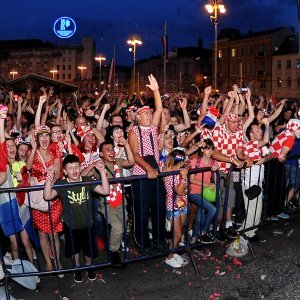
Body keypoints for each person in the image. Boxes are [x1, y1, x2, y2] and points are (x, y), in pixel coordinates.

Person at [43, 154, 109, 282]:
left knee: (89, 249)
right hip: (71, 225)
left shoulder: (86, 181)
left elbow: (105, 191)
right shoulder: (62, 184)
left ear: (80, 168)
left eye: (77, 167)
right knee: (74, 250)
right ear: (65, 171)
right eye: (70, 168)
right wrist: (49, 177)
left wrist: (102, 172)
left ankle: (89, 267)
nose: (74, 170)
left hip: (88, 223)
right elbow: (47, 196)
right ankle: (77, 268)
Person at [128, 74, 166, 253]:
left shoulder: (152, 128)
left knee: (159, 208)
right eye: (145, 114)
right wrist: (148, 168)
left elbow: (159, 109)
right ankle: (142, 243)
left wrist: (156, 91)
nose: (150, 116)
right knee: (142, 212)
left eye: (149, 114)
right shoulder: (133, 131)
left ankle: (159, 240)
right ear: (138, 117)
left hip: (155, 171)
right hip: (141, 174)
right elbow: (135, 154)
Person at [26, 125, 62, 272]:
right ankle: (48, 262)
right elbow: (28, 167)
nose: (45, 139)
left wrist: (50, 181)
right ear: (37, 138)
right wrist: (33, 149)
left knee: (54, 234)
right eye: (41, 136)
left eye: (47, 135)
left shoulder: (55, 151)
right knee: (42, 234)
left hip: (52, 199)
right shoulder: (32, 153)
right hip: (37, 200)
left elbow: (59, 174)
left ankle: (58, 262)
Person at [98, 140, 134, 266]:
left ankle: (113, 247)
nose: (111, 151)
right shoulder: (99, 166)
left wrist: (126, 145)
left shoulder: (118, 162)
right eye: (107, 149)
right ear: (101, 154)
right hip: (107, 204)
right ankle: (113, 252)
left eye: (112, 149)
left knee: (123, 227)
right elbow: (83, 175)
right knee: (118, 229)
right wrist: (93, 166)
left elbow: (131, 162)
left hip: (121, 202)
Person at [240, 118, 269, 241]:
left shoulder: (260, 147)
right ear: (251, 134)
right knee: (252, 211)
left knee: (257, 210)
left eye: (260, 130)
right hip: (249, 183)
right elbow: (266, 140)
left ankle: (251, 232)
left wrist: (263, 160)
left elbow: (271, 154)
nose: (260, 132)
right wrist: (267, 126)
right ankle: (245, 233)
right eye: (257, 130)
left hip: (257, 182)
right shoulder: (251, 144)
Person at [163, 149, 188, 268]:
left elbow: (186, 190)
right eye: (183, 160)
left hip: (183, 204)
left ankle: (173, 253)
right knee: (177, 234)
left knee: (179, 232)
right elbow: (179, 190)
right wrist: (184, 177)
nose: (185, 162)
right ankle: (169, 258)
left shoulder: (180, 172)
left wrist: (184, 184)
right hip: (173, 206)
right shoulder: (170, 173)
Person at [189, 139, 218, 244]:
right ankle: (204, 232)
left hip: (204, 194)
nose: (210, 151)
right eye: (207, 149)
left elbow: (215, 180)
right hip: (193, 193)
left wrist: (216, 172)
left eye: (211, 149)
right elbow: (191, 179)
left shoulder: (213, 162)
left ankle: (193, 239)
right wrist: (207, 184)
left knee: (200, 216)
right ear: (202, 149)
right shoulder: (195, 161)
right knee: (212, 209)